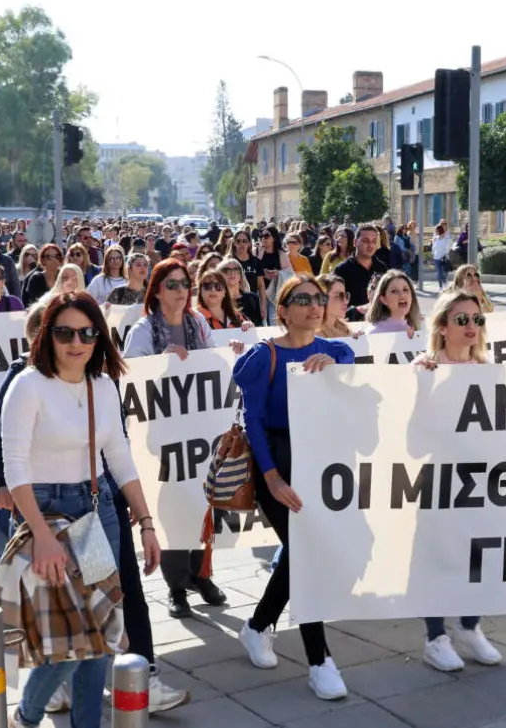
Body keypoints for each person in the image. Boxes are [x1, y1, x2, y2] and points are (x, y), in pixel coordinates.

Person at [1, 291, 164, 728]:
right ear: (47, 335)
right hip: (47, 511)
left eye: (89, 332)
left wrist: (147, 522)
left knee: (103, 633)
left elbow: (121, 458)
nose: (77, 341)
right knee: (74, 638)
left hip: (96, 513)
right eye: (65, 332)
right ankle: (26, 716)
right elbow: (14, 467)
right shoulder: (28, 385)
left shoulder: (103, 385)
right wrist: (39, 535)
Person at [233, 275, 353, 700]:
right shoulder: (261, 357)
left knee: (304, 555)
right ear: (281, 310)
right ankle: (320, 661)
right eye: (301, 299)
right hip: (278, 464)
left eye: (319, 299)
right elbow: (255, 422)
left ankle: (257, 626)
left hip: (321, 463)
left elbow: (354, 392)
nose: (313, 306)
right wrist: (272, 477)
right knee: (306, 557)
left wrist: (334, 370)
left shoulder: (337, 350)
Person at [122, 259, 227, 617]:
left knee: (200, 504)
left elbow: (213, 360)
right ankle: (176, 586)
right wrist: (160, 362)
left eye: (184, 284)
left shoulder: (198, 322)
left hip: (198, 433)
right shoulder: (143, 330)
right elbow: (129, 376)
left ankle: (202, 575)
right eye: (172, 284)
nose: (180, 291)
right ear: (157, 290)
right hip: (162, 438)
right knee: (169, 507)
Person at [410, 290, 503, 670]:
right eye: (462, 319)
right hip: (438, 479)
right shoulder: (424, 368)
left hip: (479, 480)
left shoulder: (488, 369)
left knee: (477, 555)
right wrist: (424, 387)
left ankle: (469, 625)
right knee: (437, 557)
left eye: (477, 319)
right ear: (443, 326)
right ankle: (435, 637)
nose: (471, 326)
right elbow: (413, 439)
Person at [334, 225, 387, 311]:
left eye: (374, 241)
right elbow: (334, 303)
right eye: (366, 241)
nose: (370, 245)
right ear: (355, 242)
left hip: (377, 321)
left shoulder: (382, 268)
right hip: (351, 322)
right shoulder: (342, 270)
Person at [366, 270, 420, 337]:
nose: (402, 295)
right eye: (394, 291)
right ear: (383, 299)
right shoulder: (374, 333)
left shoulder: (420, 330)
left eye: (405, 290)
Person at [219, 258, 263, 327]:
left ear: (240, 275)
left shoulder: (253, 298)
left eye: (236, 269)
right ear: (220, 275)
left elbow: (260, 326)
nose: (232, 273)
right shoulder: (217, 300)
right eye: (226, 270)